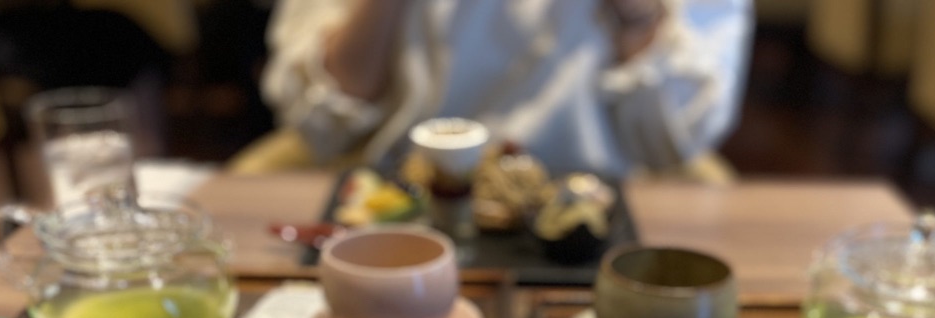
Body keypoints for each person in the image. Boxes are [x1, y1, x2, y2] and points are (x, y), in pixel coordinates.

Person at [260, 0, 753, 177]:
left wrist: (638, 13)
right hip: (401, 190)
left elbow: (677, 139)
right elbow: (316, 122)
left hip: (596, 200)